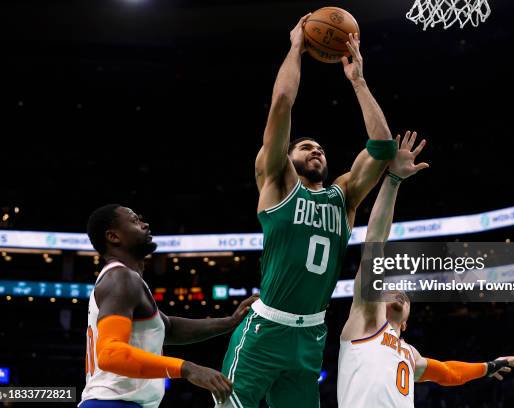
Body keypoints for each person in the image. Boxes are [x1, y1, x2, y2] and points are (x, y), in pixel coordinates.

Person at [220, 12, 401, 408]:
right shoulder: (277, 183)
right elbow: (282, 103)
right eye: (305, 146)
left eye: (319, 147)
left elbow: (383, 147)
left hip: (311, 335)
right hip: (265, 329)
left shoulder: (344, 196)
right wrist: (296, 48)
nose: (316, 149)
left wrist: (358, 81)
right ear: (287, 157)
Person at [337, 133, 514, 407]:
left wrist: (488, 366)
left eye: (406, 298)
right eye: (391, 291)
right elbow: (375, 240)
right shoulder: (366, 317)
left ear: (407, 322)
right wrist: (393, 180)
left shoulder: (410, 354)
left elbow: (448, 373)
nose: (399, 294)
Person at [80, 204, 258, 408]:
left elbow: (168, 328)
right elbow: (110, 355)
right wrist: (187, 368)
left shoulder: (126, 279)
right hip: (113, 404)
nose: (145, 224)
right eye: (134, 221)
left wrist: (230, 322)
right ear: (113, 237)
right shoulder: (120, 278)